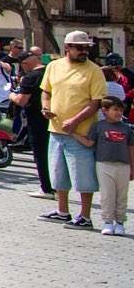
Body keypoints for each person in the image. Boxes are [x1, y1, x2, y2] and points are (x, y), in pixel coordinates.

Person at [39, 30, 107, 230]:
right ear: (67, 47)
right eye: (80, 48)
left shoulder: (94, 70)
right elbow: (46, 91)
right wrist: (46, 108)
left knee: (83, 175)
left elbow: (96, 102)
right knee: (57, 172)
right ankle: (62, 211)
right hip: (56, 129)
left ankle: (85, 216)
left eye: (87, 48)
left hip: (82, 132)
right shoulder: (53, 66)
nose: (84, 51)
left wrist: (77, 120)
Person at [12, 49, 51, 197]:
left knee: (40, 154)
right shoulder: (50, 71)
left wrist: (11, 96)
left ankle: (46, 188)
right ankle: (57, 186)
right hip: (54, 118)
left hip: (37, 119)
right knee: (52, 154)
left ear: (24, 63)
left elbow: (21, 101)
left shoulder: (30, 77)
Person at [94, 97, 131, 237]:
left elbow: (131, 147)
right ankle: (107, 222)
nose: (118, 113)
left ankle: (120, 222)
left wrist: (132, 167)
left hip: (123, 165)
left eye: (121, 110)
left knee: (122, 195)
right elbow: (89, 142)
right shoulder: (98, 126)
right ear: (104, 110)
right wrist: (72, 132)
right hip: (104, 164)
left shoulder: (126, 128)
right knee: (107, 195)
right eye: (115, 109)